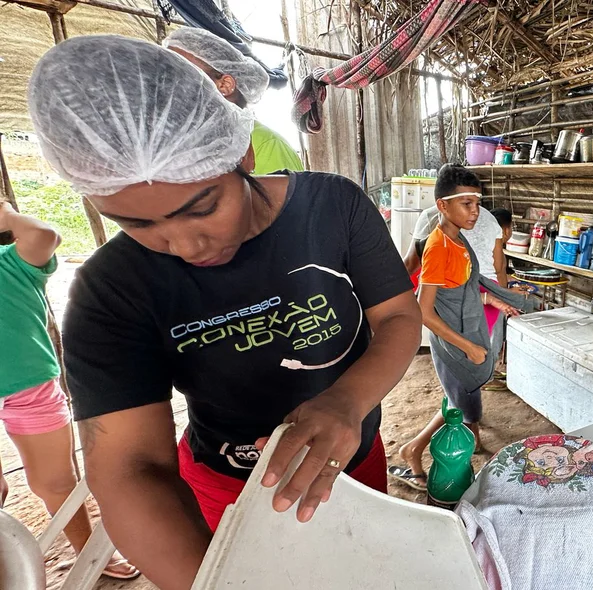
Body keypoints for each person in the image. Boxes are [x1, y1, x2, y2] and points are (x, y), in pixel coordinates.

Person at [28, 35, 421, 590]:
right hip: (225, 483)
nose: (184, 246)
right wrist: (215, 581)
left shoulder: (333, 206)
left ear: (242, 154)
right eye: (137, 225)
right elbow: (129, 469)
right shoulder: (111, 290)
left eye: (203, 206)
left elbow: (400, 320)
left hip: (350, 457)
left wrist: (346, 402)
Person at [0, 201, 139, 580]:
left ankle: (90, 555)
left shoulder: (12, 262)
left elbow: (45, 235)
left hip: (29, 390)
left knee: (54, 482)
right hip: (29, 388)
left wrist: (5, 212)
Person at [389, 167, 524, 491]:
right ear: (444, 204)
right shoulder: (437, 230)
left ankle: (467, 432)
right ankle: (415, 448)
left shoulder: (481, 220)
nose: (473, 209)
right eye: (465, 202)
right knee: (464, 382)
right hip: (459, 312)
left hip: (482, 308)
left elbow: (495, 266)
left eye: (475, 201)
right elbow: (417, 266)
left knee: (470, 381)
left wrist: (502, 309)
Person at [164, 27, 304, 175]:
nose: (167, 84)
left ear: (225, 85)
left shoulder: (267, 145)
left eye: (182, 73)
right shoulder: (177, 145)